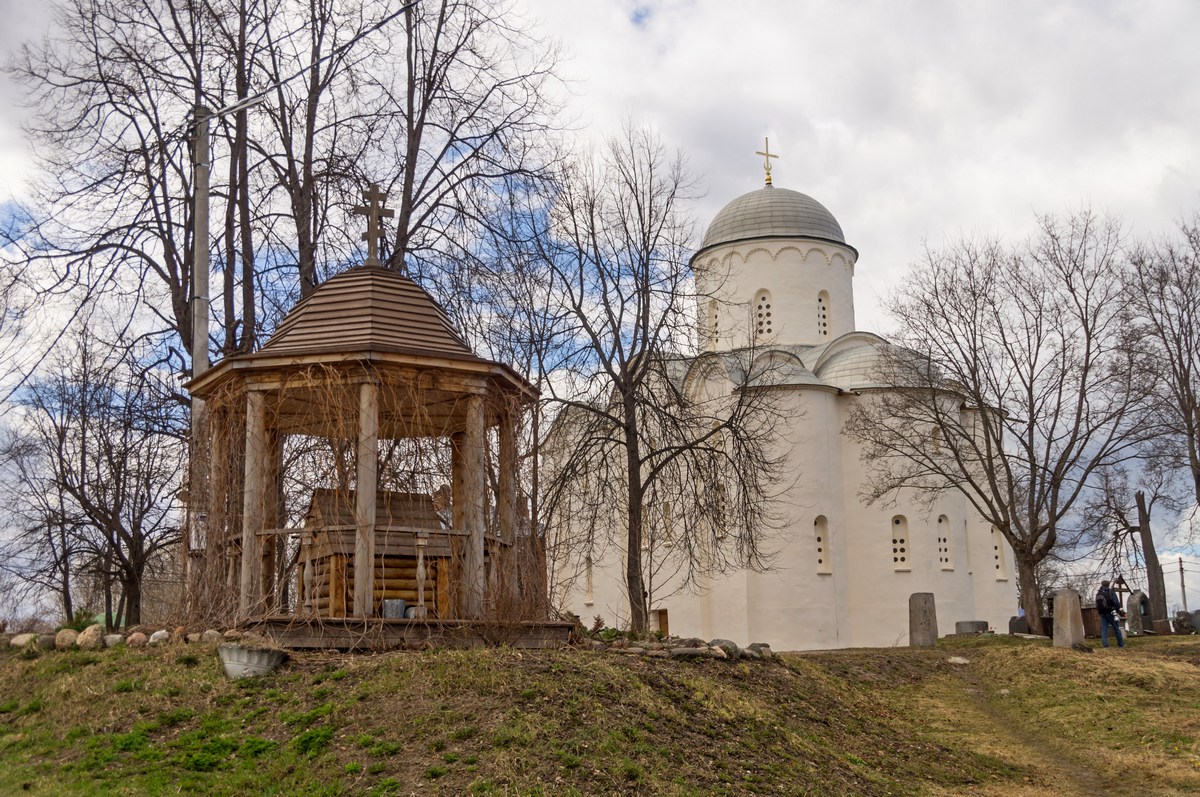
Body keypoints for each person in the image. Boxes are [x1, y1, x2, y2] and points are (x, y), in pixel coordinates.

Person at [1095, 580, 1125, 648]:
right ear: (1108, 585)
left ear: (1102, 584)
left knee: (1104, 629)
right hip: (1111, 612)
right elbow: (1116, 603)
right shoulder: (1111, 592)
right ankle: (1121, 644)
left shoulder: (1099, 593)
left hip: (1103, 613)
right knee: (1116, 628)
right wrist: (1120, 611)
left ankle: (1105, 645)